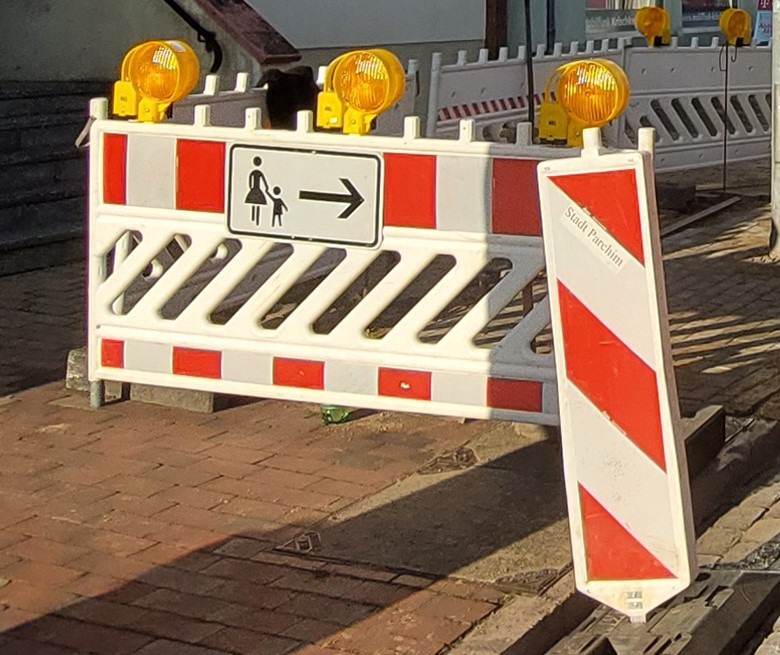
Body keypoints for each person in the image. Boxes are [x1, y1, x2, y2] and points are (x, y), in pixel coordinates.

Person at [245, 156, 270, 225]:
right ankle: (254, 220)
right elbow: (263, 181)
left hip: (254, 189)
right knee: (255, 203)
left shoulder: (255, 172)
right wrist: (266, 187)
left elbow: (250, 180)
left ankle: (255, 220)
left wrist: (250, 187)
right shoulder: (258, 173)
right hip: (256, 189)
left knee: (256, 203)